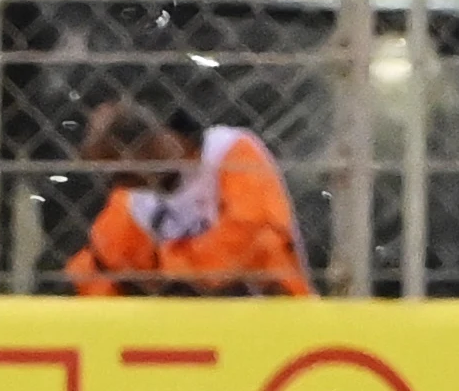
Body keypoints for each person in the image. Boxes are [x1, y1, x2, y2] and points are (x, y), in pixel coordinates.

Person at [64, 96, 317, 294]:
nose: (119, 185)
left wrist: (170, 268)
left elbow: (252, 233)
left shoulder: (230, 151)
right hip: (190, 329)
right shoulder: (133, 202)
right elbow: (97, 268)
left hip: (272, 311)